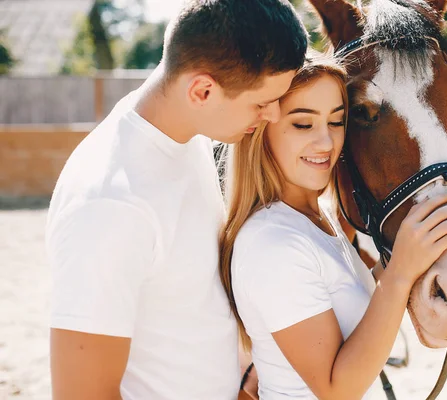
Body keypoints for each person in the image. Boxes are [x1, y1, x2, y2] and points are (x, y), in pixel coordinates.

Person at [45, 1, 307, 399]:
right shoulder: (110, 205)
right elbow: (83, 394)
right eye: (260, 102)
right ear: (202, 90)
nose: (273, 115)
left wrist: (241, 371)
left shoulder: (185, 137)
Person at [219, 54, 447, 399]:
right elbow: (337, 390)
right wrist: (398, 273)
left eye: (336, 122)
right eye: (303, 124)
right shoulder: (272, 243)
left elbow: (350, 314)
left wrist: (417, 257)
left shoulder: (315, 219)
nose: (326, 143)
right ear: (262, 131)